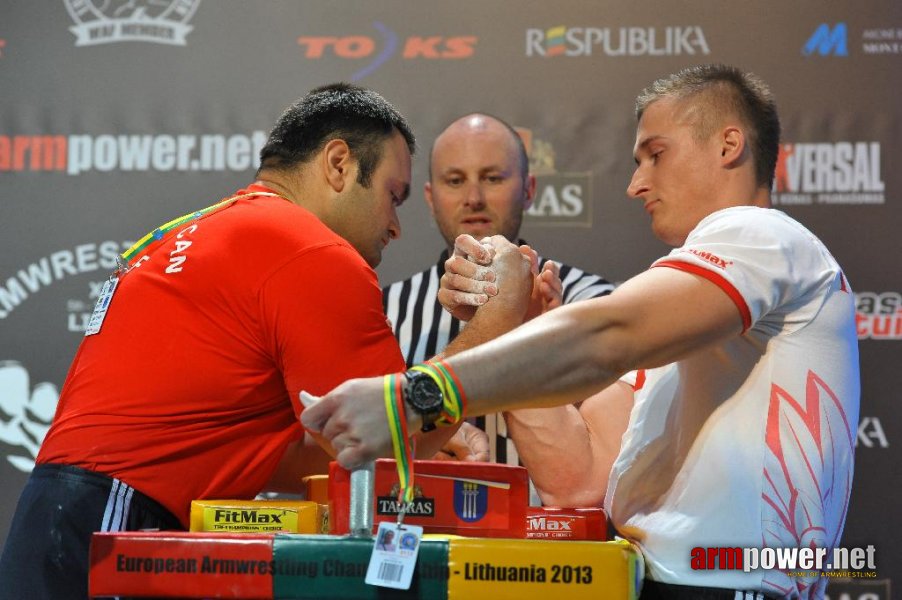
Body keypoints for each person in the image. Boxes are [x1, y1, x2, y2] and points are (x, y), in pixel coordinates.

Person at [302, 65, 860, 599]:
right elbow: (581, 480)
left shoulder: (759, 234)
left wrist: (415, 395)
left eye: (654, 156)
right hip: (655, 582)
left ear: (728, 145)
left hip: (730, 586)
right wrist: (513, 322)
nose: (636, 184)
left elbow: (605, 335)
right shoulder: (689, 311)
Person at [0, 83, 488, 599]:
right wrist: (498, 323)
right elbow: (390, 446)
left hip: (67, 519)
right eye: (393, 196)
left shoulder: (196, 229)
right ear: (339, 163)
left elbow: (292, 452)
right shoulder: (311, 250)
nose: (395, 227)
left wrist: (427, 426)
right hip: (116, 524)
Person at [383, 113, 614, 464]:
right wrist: (424, 439)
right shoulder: (387, 309)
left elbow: (610, 438)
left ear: (529, 189)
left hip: (549, 516)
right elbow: (372, 440)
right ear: (430, 198)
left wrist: (541, 335)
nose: (474, 198)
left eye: (492, 178)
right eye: (455, 180)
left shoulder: (592, 300)